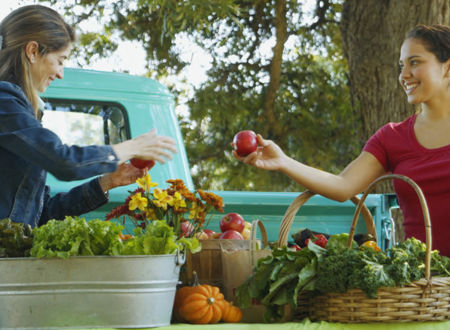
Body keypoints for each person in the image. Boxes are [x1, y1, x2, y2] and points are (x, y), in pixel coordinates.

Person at [234, 24, 450, 257]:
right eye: (401, 65)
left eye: (414, 62)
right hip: (426, 287)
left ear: (447, 68)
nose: (403, 75)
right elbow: (342, 186)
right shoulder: (392, 137)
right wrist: (284, 161)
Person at [0, 5, 177, 228]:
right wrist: (130, 148)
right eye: (61, 60)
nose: (61, 74)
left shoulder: (18, 110)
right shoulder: (4, 102)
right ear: (33, 51)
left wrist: (107, 182)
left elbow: (42, 213)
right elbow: (64, 161)